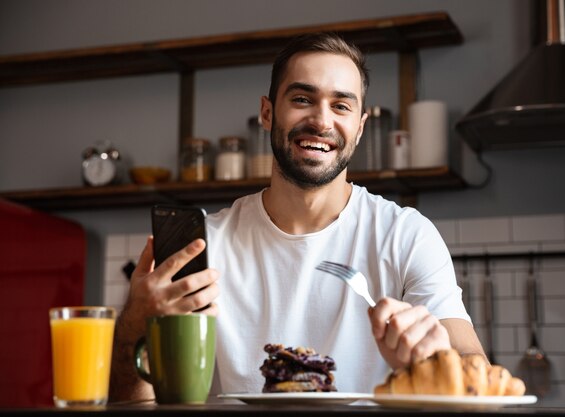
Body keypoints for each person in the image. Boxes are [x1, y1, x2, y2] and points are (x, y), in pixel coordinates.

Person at [109, 32, 484, 401]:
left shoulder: (406, 234)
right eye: (303, 99)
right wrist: (134, 324)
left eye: (341, 106)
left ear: (360, 128)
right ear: (267, 113)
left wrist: (435, 361)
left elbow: (474, 372)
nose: (321, 121)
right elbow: (133, 400)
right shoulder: (204, 244)